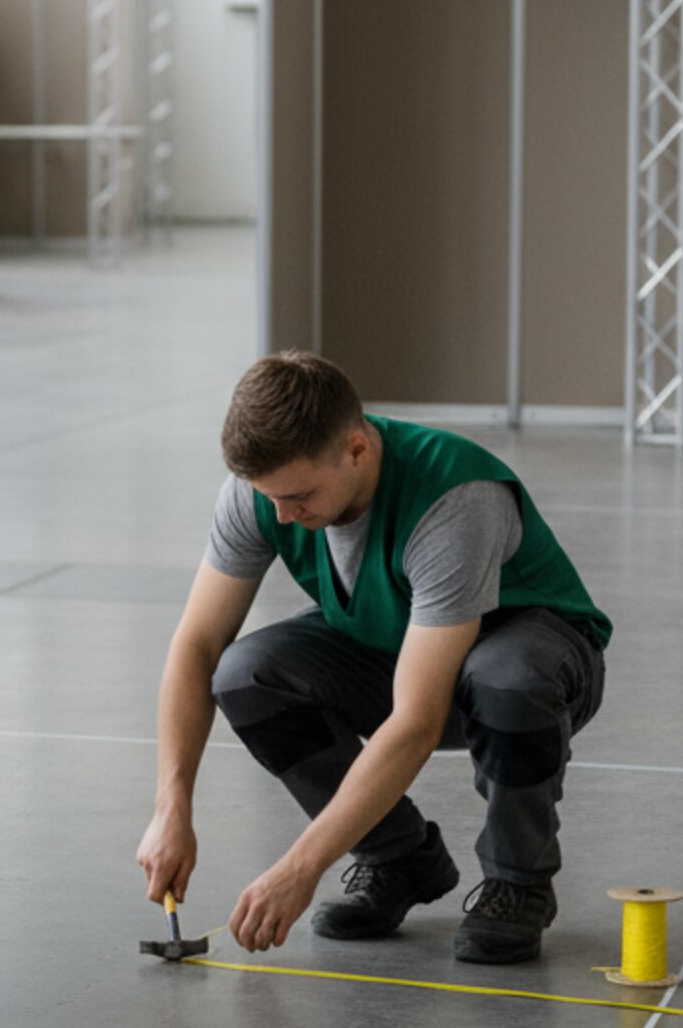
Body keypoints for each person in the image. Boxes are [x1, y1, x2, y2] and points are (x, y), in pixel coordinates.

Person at [136, 351, 611, 965]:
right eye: (268, 496)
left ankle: (518, 883)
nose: (283, 516)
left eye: (299, 494)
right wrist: (171, 807)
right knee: (245, 674)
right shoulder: (263, 493)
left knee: (504, 678)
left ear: (357, 450)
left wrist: (301, 865)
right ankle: (398, 860)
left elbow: (414, 721)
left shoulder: (453, 497)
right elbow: (197, 646)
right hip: (399, 644)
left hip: (532, 658)